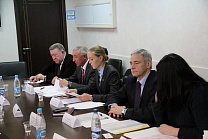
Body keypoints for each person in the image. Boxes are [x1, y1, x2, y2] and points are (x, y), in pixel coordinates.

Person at [152, 53, 208, 138]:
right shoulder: (173, 93)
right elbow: (163, 126)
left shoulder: (199, 92)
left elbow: (205, 133)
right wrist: (157, 102)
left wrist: (176, 131)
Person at [106, 49, 157, 122]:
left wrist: (124, 111)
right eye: (131, 63)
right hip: (131, 123)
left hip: (149, 126)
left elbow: (150, 113)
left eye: (136, 63)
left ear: (148, 64)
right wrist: (114, 106)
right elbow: (114, 96)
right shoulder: (131, 79)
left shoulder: (156, 82)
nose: (132, 67)